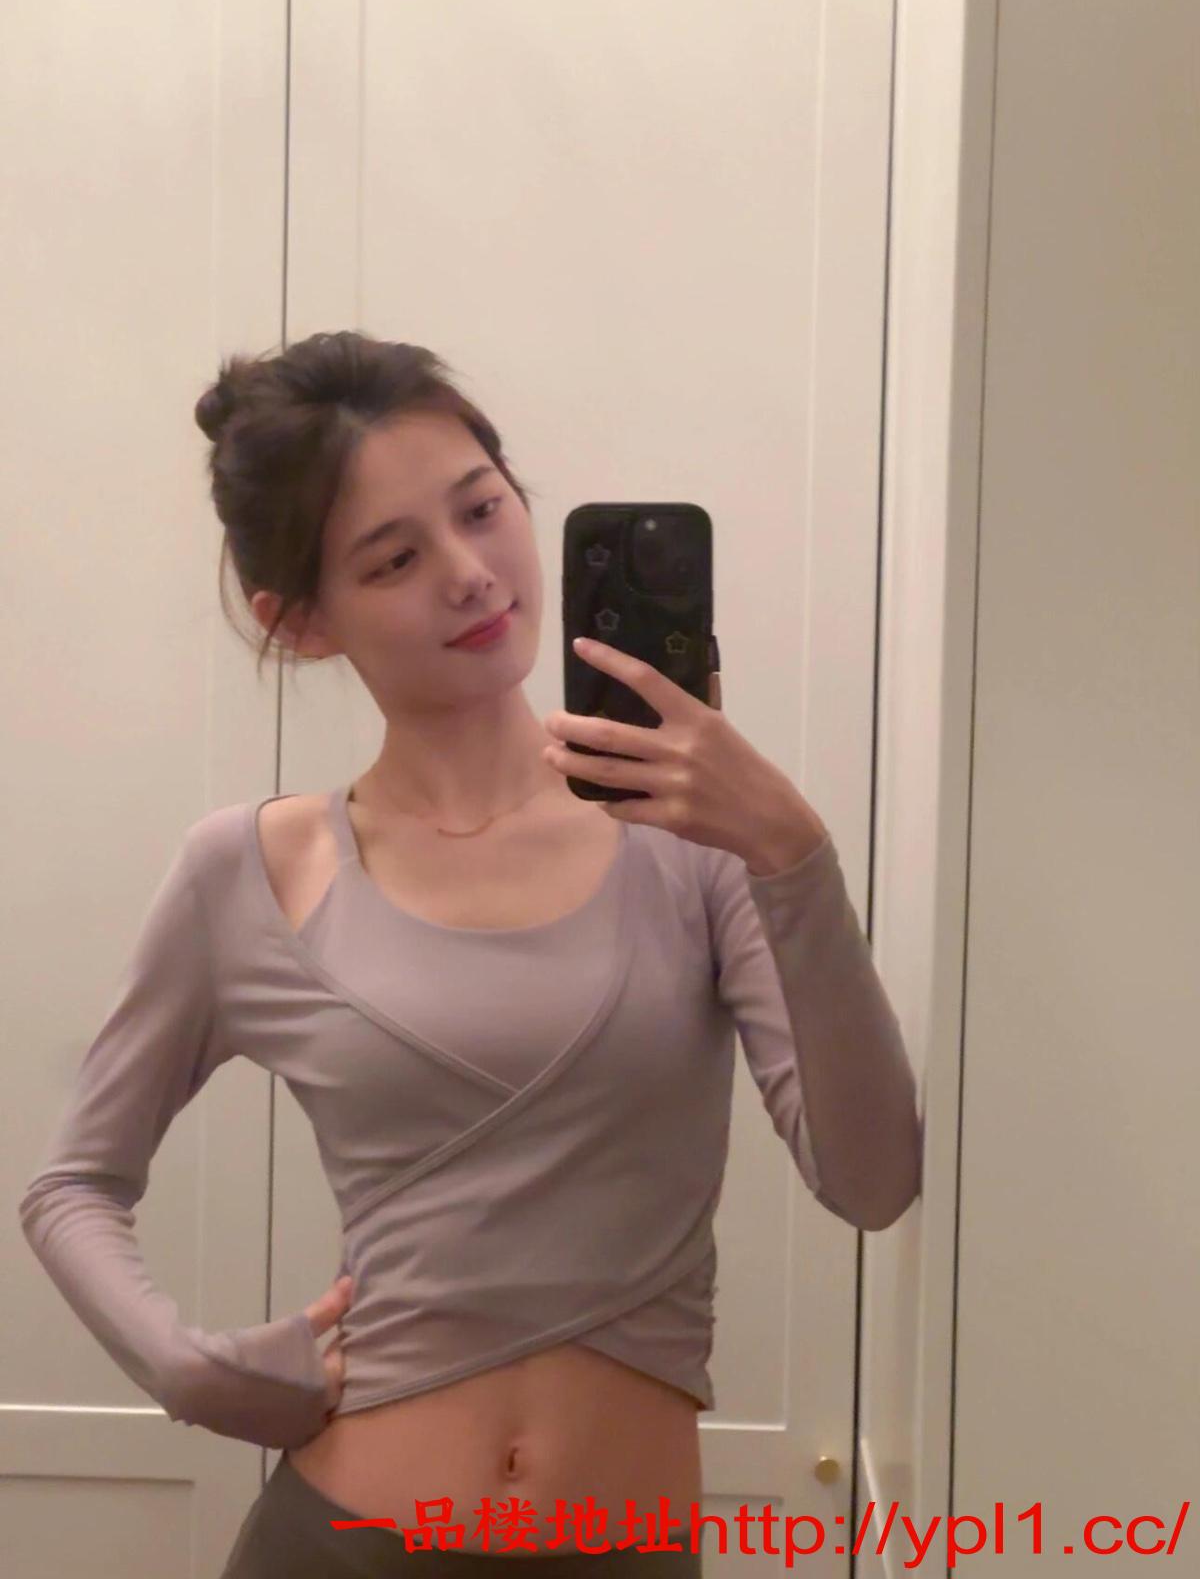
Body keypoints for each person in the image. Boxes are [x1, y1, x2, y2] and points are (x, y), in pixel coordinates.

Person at [19, 331, 922, 1577]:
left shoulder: (698, 839)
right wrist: (187, 1367)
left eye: (482, 508)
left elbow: (873, 1181)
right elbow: (71, 1185)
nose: (469, 573)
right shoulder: (252, 871)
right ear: (303, 621)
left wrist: (793, 850)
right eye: (395, 558)